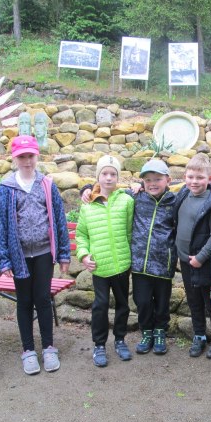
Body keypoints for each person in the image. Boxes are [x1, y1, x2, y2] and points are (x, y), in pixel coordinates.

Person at [0, 135, 71, 376]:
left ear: (37, 156)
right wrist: (3, 259)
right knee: (25, 301)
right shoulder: (6, 188)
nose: (27, 161)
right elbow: (0, 225)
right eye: (22, 157)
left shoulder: (47, 184)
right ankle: (28, 350)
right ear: (15, 158)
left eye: (30, 156)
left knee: (43, 299)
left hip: (43, 253)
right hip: (19, 256)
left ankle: (48, 347)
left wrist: (64, 254)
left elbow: (59, 219)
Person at [76, 155, 134, 367]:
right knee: (100, 306)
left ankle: (120, 340)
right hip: (100, 266)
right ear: (97, 176)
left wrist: (129, 256)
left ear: (118, 177)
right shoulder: (87, 205)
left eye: (113, 174)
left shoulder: (126, 201)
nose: (109, 178)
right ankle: (99, 344)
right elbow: (81, 235)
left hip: (121, 265)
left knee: (123, 304)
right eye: (104, 173)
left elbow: (130, 232)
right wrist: (84, 255)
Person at [174, 154, 211, 359]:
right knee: (194, 300)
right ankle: (199, 335)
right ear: (184, 177)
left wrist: (201, 257)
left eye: (199, 178)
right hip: (186, 261)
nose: (194, 181)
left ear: (210, 179)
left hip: (206, 264)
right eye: (190, 177)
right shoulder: (183, 195)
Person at [129, 159, 177, 355]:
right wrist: (88, 189)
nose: (152, 183)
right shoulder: (136, 197)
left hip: (163, 263)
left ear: (168, 180)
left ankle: (160, 332)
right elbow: (110, 191)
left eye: (158, 179)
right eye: (148, 180)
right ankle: (146, 331)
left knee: (162, 302)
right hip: (140, 263)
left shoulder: (175, 201)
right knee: (142, 301)